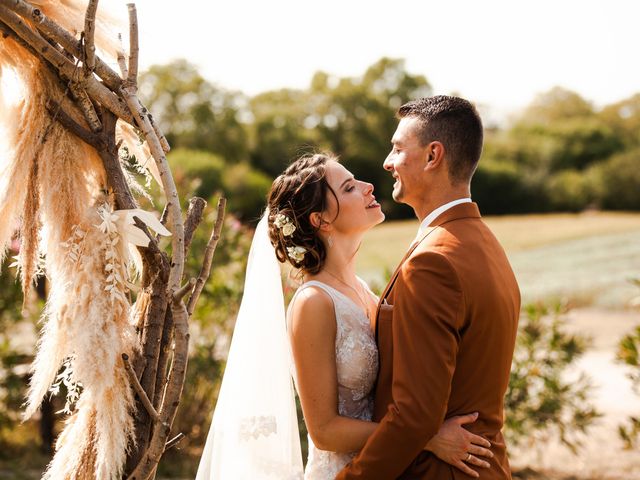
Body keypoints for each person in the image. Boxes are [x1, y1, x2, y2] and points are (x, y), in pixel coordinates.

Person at [195, 152, 493, 479]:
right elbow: (325, 431)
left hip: (384, 464)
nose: (367, 187)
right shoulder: (314, 303)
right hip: (343, 471)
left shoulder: (363, 289)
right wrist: (427, 438)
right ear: (320, 220)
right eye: (349, 187)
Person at [336, 96, 521, 480]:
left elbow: (415, 413)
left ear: (433, 155)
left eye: (398, 148)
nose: (387, 162)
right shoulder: (485, 244)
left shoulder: (432, 262)